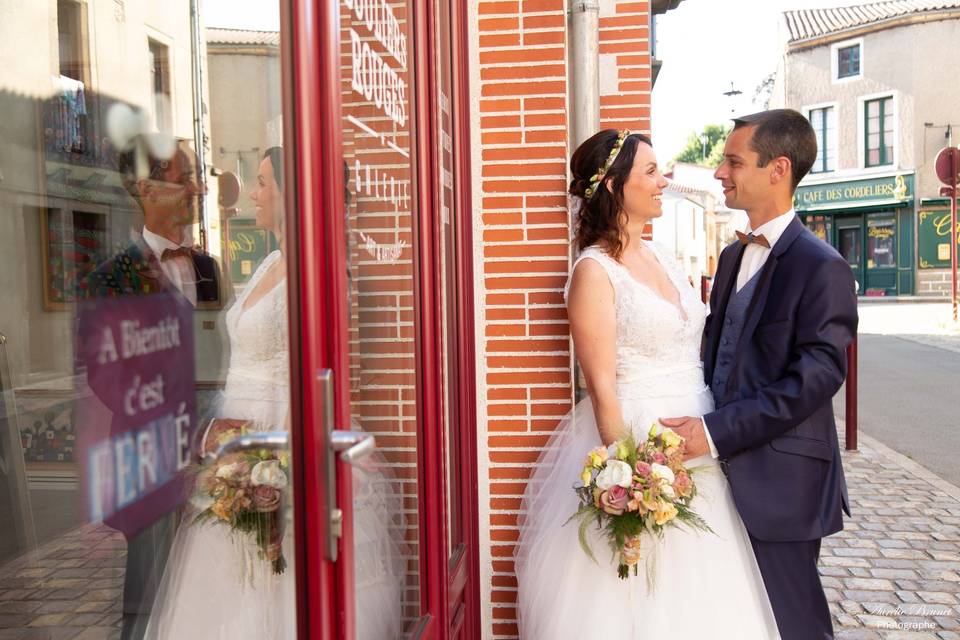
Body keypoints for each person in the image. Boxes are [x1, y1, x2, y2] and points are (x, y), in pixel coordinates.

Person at [515, 130, 779, 638]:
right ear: (615, 186)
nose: (665, 180)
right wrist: (632, 480)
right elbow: (602, 388)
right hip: (642, 447)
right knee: (643, 595)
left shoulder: (660, 257)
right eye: (652, 172)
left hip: (699, 443)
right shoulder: (594, 272)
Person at [661, 110, 857, 640]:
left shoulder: (822, 267)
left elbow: (815, 378)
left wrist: (715, 432)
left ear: (779, 169)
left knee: (792, 623)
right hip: (714, 475)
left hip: (782, 481)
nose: (720, 172)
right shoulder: (729, 258)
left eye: (733, 161)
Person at [143, 147, 294, 639]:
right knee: (220, 564)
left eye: (263, 182)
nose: (251, 191)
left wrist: (277, 456)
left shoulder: (307, 271)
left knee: (265, 565)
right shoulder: (269, 258)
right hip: (231, 427)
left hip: (271, 428)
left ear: (289, 192)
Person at [82, 138, 226, 640]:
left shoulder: (207, 270)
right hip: (151, 458)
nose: (195, 188)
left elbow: (219, 354)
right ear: (146, 189)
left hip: (211, 450)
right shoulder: (110, 281)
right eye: (183, 177)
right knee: (147, 587)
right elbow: (105, 375)